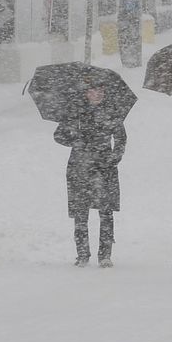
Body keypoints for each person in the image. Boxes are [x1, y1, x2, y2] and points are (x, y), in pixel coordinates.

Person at [55, 85, 126, 268]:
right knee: (80, 212)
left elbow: (121, 139)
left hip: (104, 167)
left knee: (106, 212)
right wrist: (75, 139)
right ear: (86, 93)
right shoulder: (75, 111)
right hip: (79, 166)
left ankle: (105, 255)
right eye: (94, 90)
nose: (98, 93)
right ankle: (82, 254)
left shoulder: (112, 112)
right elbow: (59, 135)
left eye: (102, 90)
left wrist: (113, 158)